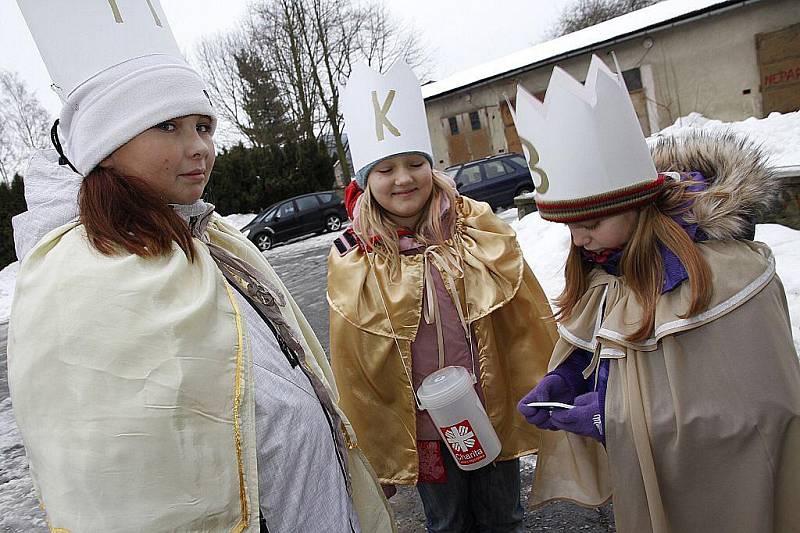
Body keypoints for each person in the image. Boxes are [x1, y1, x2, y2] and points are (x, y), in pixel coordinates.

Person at [9, 2, 394, 531]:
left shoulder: (211, 237)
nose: (200, 148)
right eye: (167, 126)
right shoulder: (82, 279)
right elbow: (127, 470)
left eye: (204, 126)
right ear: (107, 143)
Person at [513, 55, 800, 532]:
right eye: (568, 229)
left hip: (732, 494)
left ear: (636, 205)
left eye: (590, 223)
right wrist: (577, 379)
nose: (579, 240)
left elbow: (757, 413)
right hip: (653, 478)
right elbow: (634, 362)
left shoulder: (728, 275)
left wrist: (612, 417)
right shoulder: (609, 266)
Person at [327, 61, 557, 532]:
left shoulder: (473, 226)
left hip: (488, 404)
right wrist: (372, 440)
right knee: (447, 521)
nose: (404, 178)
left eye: (415, 163)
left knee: (504, 516)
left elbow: (524, 311)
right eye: (385, 169)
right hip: (426, 428)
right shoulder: (355, 256)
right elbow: (353, 360)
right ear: (365, 182)